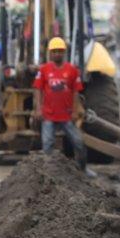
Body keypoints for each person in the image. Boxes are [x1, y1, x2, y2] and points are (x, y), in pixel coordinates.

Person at [33, 37, 88, 171]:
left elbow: (76, 91)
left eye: (60, 51)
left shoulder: (72, 70)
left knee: (79, 143)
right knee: (47, 145)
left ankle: (82, 169)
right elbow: (38, 90)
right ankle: (48, 172)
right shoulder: (44, 70)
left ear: (64, 53)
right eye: (54, 51)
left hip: (67, 115)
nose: (57, 54)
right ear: (50, 53)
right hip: (48, 115)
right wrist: (38, 109)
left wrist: (75, 111)